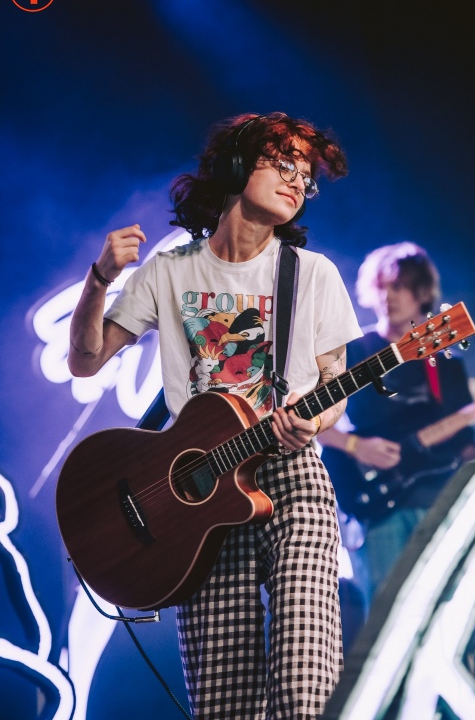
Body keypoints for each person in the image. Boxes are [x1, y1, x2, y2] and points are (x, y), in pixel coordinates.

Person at [67, 112, 362, 720]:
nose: (295, 181)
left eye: (304, 176)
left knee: (306, 686)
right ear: (235, 165)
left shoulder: (313, 274)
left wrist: (316, 422)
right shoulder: (169, 272)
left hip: (290, 479)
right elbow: (86, 361)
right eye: (281, 164)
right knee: (224, 705)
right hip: (194, 495)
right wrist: (100, 279)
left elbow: (335, 386)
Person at [319, 241, 475, 647]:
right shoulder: (355, 351)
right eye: (383, 286)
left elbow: (468, 448)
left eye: (400, 286)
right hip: (380, 510)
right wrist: (356, 447)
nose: (389, 296)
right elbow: (306, 422)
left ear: (422, 292)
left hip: (444, 505)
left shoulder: (446, 363)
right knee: (390, 637)